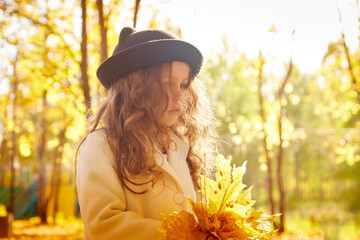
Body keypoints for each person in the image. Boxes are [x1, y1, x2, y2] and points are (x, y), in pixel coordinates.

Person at [76, 26, 216, 240]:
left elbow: (199, 213)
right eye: (168, 83)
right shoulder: (102, 145)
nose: (180, 95)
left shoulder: (181, 147)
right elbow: (103, 225)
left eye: (183, 85)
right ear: (136, 88)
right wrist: (178, 235)